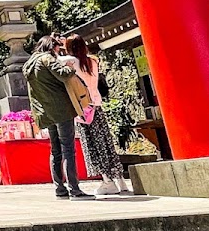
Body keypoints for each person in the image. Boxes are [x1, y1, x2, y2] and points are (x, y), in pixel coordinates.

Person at [24, 34, 93, 200]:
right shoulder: (47, 58)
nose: (58, 51)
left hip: (46, 112)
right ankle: (75, 189)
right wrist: (70, 66)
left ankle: (59, 188)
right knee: (68, 148)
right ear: (51, 46)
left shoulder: (28, 64)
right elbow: (63, 74)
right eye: (57, 48)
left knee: (55, 150)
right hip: (62, 109)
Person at [62, 34, 131, 195]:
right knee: (106, 142)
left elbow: (59, 61)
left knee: (93, 144)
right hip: (97, 105)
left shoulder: (71, 62)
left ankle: (107, 181)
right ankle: (120, 180)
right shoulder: (92, 61)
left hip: (83, 108)